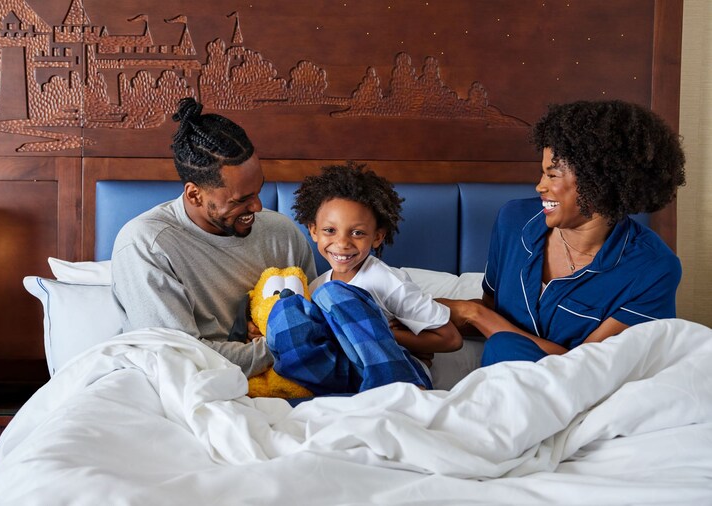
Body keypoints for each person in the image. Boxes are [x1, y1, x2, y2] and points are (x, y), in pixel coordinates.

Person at [440, 100, 686, 366]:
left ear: (598, 183)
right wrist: (423, 315)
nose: (540, 186)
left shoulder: (653, 269)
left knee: (504, 347)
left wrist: (475, 314)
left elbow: (585, 368)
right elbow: (493, 312)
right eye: (542, 173)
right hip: (502, 380)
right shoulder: (513, 221)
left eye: (553, 175)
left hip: (579, 388)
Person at [109, 97, 317, 377]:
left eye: (259, 190)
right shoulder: (146, 244)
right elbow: (180, 359)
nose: (257, 207)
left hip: (281, 382)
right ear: (194, 194)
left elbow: (316, 325)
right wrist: (281, 346)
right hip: (181, 385)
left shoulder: (282, 234)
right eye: (241, 200)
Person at [293, 162, 462, 378]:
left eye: (357, 233)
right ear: (314, 231)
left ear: (377, 237)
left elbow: (450, 339)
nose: (342, 243)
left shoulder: (386, 280)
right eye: (330, 230)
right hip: (347, 374)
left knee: (333, 295)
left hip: (402, 372)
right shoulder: (316, 288)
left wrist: (384, 333)